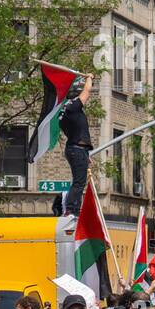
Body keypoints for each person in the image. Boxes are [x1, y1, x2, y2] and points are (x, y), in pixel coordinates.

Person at [58, 74, 93, 229]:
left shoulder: (64, 111)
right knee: (78, 182)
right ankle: (71, 210)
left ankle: (72, 209)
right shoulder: (73, 106)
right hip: (77, 150)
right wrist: (90, 77)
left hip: (77, 149)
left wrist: (86, 153)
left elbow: (75, 133)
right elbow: (87, 91)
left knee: (78, 181)